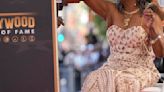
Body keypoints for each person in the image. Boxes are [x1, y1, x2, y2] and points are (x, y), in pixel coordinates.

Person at [64, 0, 164, 91]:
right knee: (94, 78)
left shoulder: (150, 13)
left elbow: (160, 53)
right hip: (112, 68)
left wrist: (154, 29)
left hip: (139, 70)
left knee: (123, 81)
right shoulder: (110, 9)